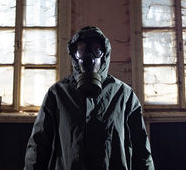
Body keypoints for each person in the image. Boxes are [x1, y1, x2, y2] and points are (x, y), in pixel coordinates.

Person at [24, 26, 155, 170]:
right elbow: (38, 148)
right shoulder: (57, 94)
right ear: (74, 56)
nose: (88, 58)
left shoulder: (124, 95)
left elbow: (141, 150)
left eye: (95, 50)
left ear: (104, 55)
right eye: (81, 51)